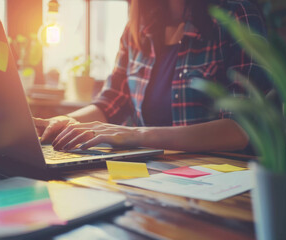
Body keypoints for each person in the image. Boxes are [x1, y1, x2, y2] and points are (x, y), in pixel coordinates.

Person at [34, 0, 271, 152]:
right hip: (152, 175)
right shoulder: (136, 29)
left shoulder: (235, 16)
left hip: (219, 178)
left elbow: (241, 129)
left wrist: (137, 135)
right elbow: (111, 102)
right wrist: (65, 122)